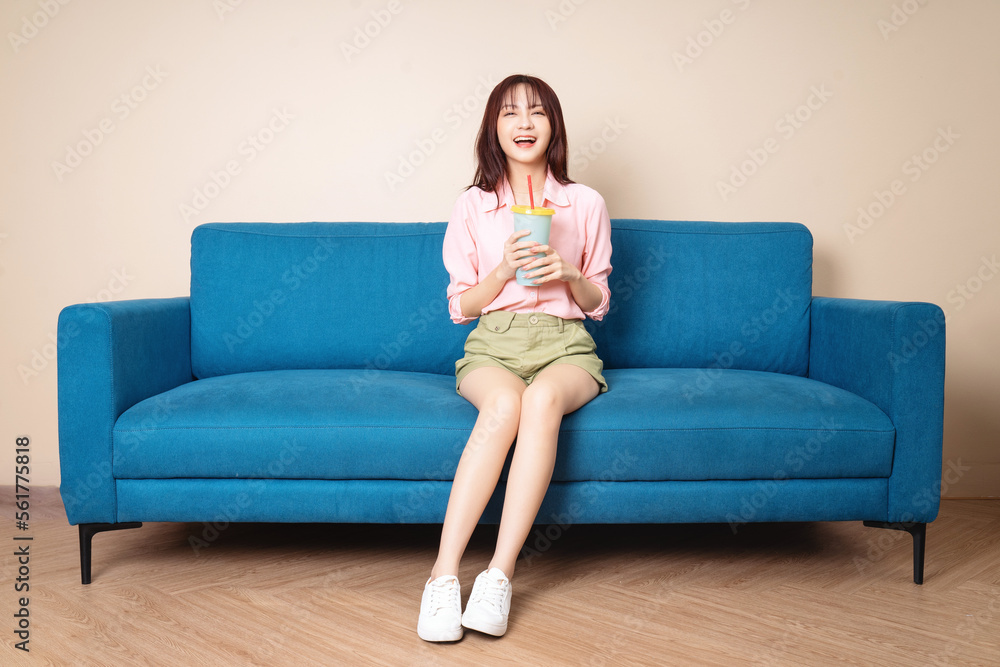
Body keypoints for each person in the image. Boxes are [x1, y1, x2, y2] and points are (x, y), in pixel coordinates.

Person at [417, 74, 613, 642]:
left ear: (554, 126)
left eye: (536, 112)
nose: (524, 123)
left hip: (566, 344)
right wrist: (503, 270)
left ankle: (499, 576)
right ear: (493, 129)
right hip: (493, 342)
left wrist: (570, 273)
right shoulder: (474, 206)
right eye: (509, 113)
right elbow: (460, 306)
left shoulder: (585, 203)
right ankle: (442, 577)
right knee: (504, 407)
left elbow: (598, 301)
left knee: (542, 400)